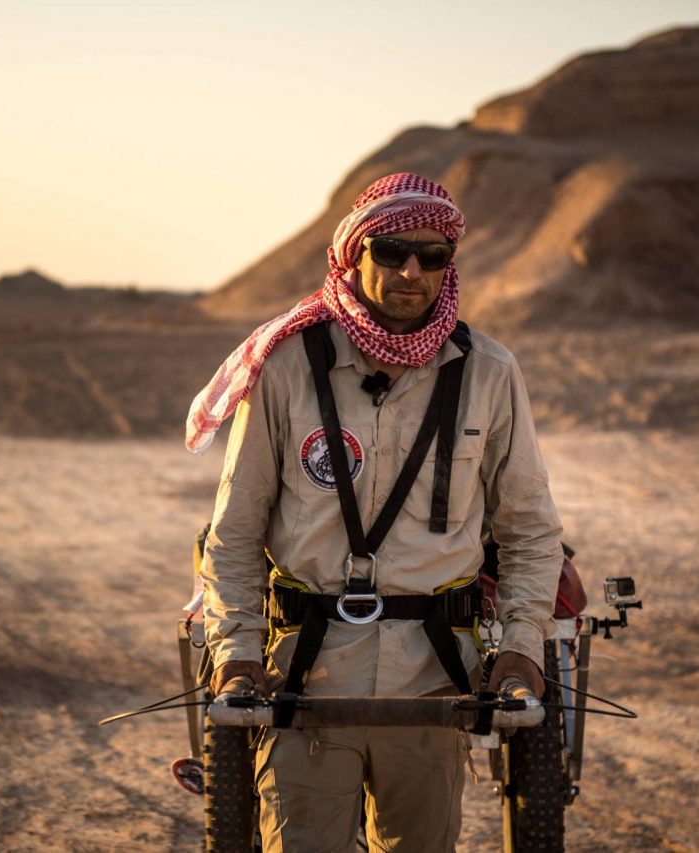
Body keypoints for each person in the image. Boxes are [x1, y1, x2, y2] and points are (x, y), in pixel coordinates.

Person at [185, 172, 563, 852]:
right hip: (307, 682)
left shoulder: (490, 374)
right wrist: (238, 655)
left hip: (430, 686)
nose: (411, 270)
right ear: (353, 255)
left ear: (450, 263)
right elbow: (234, 535)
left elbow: (530, 531)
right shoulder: (287, 369)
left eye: (432, 254)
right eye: (389, 251)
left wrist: (521, 648)